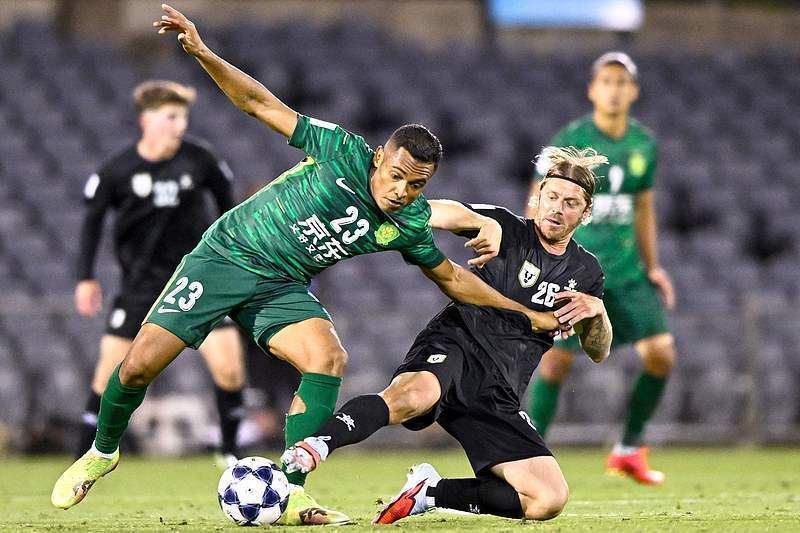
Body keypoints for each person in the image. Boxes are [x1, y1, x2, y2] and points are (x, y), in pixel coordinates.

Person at [51, 4, 563, 525]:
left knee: (328, 358)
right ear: (379, 157)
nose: (402, 191)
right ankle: (102, 452)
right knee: (138, 366)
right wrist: (203, 52)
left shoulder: (408, 223)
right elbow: (258, 103)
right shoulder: (340, 149)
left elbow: (452, 278)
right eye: (397, 175)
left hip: (281, 285)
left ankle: (291, 489)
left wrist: (526, 314)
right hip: (225, 257)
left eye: (417, 185)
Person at [281, 147, 612, 523]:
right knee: (413, 396)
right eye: (551, 197)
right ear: (538, 195)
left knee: (547, 499)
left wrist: (598, 313)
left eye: (570, 203)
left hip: (500, 387)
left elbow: (598, 350)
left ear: (585, 212)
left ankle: (429, 492)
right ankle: (317, 445)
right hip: (457, 343)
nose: (557, 208)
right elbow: (443, 212)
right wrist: (398, 205)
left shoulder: (586, 272)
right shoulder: (505, 228)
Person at [74, 79, 246, 467]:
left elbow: (231, 211)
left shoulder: (201, 160)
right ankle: (83, 457)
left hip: (198, 281)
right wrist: (85, 277)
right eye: (171, 117)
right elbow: (92, 222)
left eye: (183, 117)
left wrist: (233, 259)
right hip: (141, 288)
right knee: (108, 377)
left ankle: (230, 453)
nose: (179, 125)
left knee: (230, 369)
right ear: (146, 120)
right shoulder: (117, 170)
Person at [524, 52, 677, 485]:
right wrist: (538, 258)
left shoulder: (643, 144)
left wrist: (654, 267)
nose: (614, 89)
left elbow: (643, 208)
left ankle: (629, 449)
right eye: (606, 81)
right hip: (574, 272)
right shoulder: (571, 141)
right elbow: (538, 200)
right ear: (592, 89)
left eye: (621, 82)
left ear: (634, 91)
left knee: (661, 354)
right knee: (554, 365)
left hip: (626, 274)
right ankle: (526, 457)